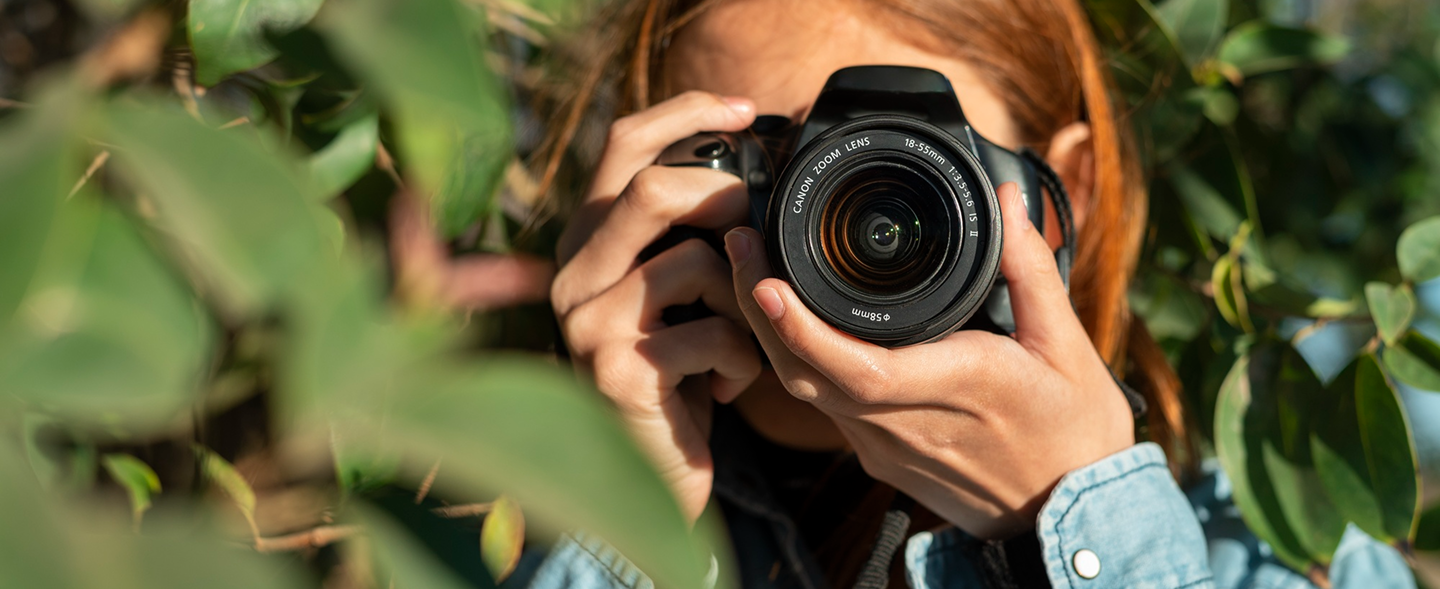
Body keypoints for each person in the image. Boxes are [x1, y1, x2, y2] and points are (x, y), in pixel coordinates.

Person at [519, 0, 1417, 587]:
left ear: (1065, 197)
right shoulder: (553, 497)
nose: (822, 222)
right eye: (777, 161)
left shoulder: (1278, 541)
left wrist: (1071, 521)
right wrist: (624, 517)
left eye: (906, 155)